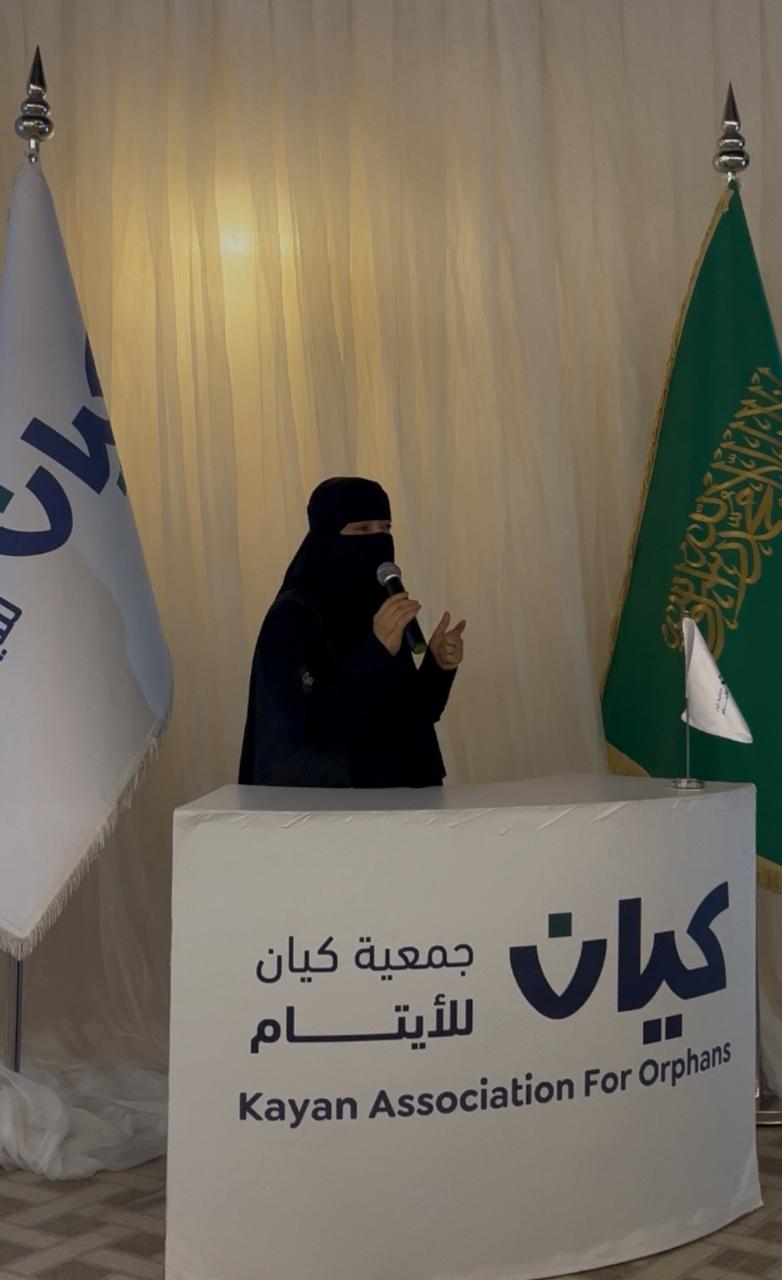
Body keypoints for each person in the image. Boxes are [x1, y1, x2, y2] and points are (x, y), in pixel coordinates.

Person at [239, 477, 465, 788]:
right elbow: (312, 727)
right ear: (328, 537)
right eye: (362, 529)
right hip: (336, 806)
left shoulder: (378, 607)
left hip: (407, 796)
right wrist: (375, 651)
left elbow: (414, 715)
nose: (378, 540)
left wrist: (437, 667)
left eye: (385, 528)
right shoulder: (294, 617)